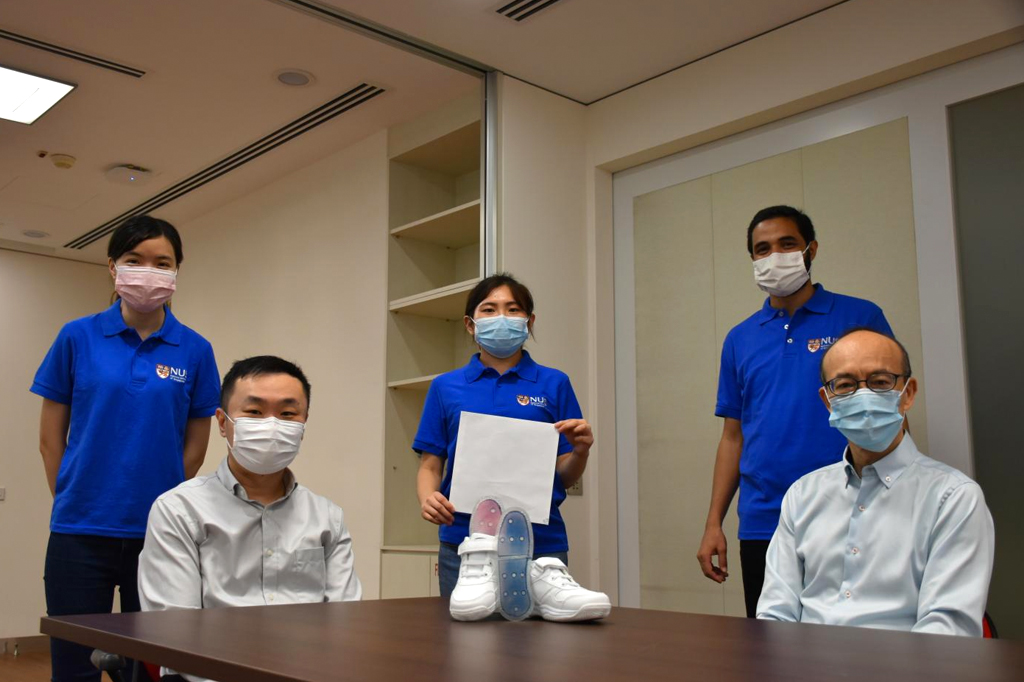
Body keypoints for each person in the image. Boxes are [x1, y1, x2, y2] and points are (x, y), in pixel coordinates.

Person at [31, 215, 220, 681]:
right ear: (113, 267)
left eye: (163, 262)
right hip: (79, 532)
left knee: (150, 668)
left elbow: (195, 447)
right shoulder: (77, 337)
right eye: (135, 260)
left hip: (159, 533)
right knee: (74, 665)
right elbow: (50, 437)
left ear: (177, 271)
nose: (149, 271)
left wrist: (160, 500)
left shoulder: (194, 350)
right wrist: (73, 495)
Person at [697, 205, 894, 617]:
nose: (774, 256)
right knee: (770, 652)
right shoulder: (740, 338)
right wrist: (714, 521)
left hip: (852, 512)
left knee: (855, 647)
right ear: (752, 259)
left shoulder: (859, 317)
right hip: (764, 520)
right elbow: (733, 436)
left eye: (787, 244)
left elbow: (891, 411)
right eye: (762, 249)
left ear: (811, 250)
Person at [757, 329, 994, 635]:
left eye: (880, 382)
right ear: (828, 400)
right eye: (845, 385)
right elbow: (775, 614)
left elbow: (947, 632)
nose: (863, 396)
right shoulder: (802, 495)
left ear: (907, 394)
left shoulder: (954, 499)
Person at [139, 356, 361, 681]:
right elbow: (176, 635)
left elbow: (344, 622)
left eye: (287, 414)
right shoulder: (178, 510)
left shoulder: (327, 517)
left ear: (303, 424)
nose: (271, 425)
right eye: (254, 412)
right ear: (222, 421)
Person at [413, 274, 593, 598]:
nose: (502, 318)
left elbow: (563, 477)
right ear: (470, 324)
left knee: (545, 645)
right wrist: (428, 498)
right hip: (463, 544)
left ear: (529, 321)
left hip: (542, 543)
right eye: (489, 310)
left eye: (513, 310)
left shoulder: (554, 384)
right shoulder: (445, 387)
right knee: (463, 643)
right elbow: (430, 464)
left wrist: (580, 452)